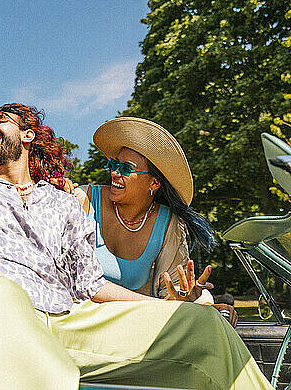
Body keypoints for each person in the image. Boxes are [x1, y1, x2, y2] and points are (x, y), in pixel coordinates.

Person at [0, 103, 271, 389]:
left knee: (203, 322)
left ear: (27, 135)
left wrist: (164, 308)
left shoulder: (64, 204)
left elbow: (90, 286)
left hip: (66, 319)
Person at [75, 117, 217, 301]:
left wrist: (185, 298)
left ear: (153, 182)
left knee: (208, 304)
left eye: (126, 169)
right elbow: (74, 281)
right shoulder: (82, 200)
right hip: (78, 316)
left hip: (133, 321)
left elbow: (170, 294)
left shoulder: (168, 224)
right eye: (113, 164)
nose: (114, 173)